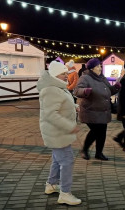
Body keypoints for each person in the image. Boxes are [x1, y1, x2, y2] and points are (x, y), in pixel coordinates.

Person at [37, 61, 81, 205]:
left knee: (57, 159)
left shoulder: (58, 87)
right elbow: (51, 114)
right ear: (56, 74)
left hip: (58, 132)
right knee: (67, 160)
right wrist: (70, 126)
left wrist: (74, 106)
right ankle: (65, 193)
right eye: (64, 73)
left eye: (66, 73)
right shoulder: (51, 89)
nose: (67, 76)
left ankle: (51, 185)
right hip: (57, 132)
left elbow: (61, 103)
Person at [74, 58, 120, 160]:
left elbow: (109, 91)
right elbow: (77, 91)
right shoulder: (85, 78)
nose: (100, 68)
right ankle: (85, 150)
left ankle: (99, 153)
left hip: (103, 111)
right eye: (98, 66)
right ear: (92, 68)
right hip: (90, 111)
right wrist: (85, 91)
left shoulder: (102, 78)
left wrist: (116, 87)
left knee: (102, 132)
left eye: (100, 66)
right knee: (95, 131)